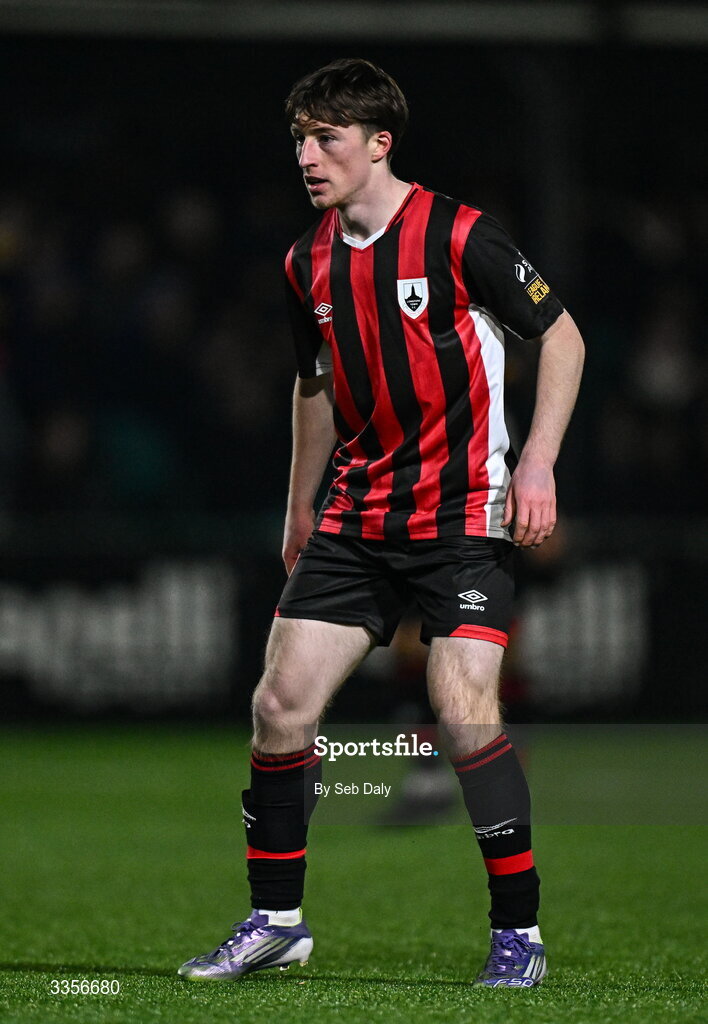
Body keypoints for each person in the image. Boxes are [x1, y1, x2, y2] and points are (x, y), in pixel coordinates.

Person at [178, 58, 584, 988]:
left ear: (377, 143)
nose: (308, 157)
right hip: (358, 516)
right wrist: (298, 505)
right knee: (279, 708)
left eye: (325, 138)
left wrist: (538, 462)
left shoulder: (457, 232)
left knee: (459, 704)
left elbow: (561, 336)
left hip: (459, 516)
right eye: (299, 140)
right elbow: (313, 381)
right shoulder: (305, 259)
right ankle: (276, 920)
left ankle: (517, 934)